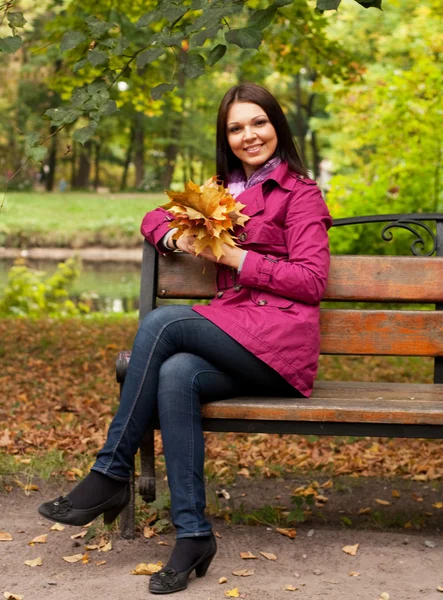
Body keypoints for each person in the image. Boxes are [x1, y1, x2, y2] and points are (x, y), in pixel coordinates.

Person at [38, 83, 332, 595]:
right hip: (238, 333)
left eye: (258, 123)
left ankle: (109, 472)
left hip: (281, 346)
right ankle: (193, 534)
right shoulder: (219, 193)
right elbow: (153, 217)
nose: (249, 135)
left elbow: (311, 280)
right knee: (177, 374)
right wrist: (176, 236)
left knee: (164, 323)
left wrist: (233, 256)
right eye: (236, 128)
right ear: (226, 137)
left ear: (277, 127)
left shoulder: (300, 194)